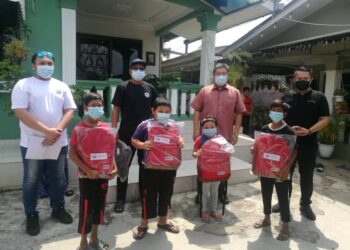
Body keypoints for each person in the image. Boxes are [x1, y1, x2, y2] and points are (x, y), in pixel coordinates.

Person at [11, 51, 76, 236]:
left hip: (58, 141)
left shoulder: (61, 86)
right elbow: (20, 112)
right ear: (34, 65)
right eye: (42, 62)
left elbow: (70, 110)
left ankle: (58, 208)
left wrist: (56, 133)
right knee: (31, 181)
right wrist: (47, 132)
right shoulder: (24, 85)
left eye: (49, 63)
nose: (46, 66)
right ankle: (31, 214)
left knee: (58, 179)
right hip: (33, 142)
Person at [272, 66, 330, 221]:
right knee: (284, 174)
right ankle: (283, 202)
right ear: (294, 79)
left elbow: (325, 118)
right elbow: (278, 115)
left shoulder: (319, 97)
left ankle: (305, 205)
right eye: (299, 79)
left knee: (306, 176)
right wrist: (290, 129)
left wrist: (309, 130)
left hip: (309, 143)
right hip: (287, 143)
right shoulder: (286, 96)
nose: (302, 81)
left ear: (311, 79)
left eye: (306, 79)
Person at [191, 63, 246, 205]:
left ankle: (222, 193)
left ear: (227, 75)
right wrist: (196, 129)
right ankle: (201, 193)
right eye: (218, 73)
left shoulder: (235, 92)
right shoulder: (204, 91)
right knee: (202, 163)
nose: (221, 76)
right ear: (213, 75)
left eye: (223, 73)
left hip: (225, 136)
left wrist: (236, 133)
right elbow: (197, 110)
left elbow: (239, 113)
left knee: (224, 165)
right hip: (206, 136)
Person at [69, 92, 117, 250]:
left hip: (103, 177)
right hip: (87, 178)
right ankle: (83, 242)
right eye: (93, 105)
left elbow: (110, 152)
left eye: (99, 105)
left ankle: (94, 238)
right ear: (85, 108)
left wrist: (114, 168)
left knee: (99, 208)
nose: (97, 108)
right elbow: (73, 155)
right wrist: (87, 170)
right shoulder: (79, 130)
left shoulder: (107, 128)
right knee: (87, 209)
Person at [131, 97, 184, 240]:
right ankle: (144, 224)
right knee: (149, 195)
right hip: (150, 168)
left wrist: (180, 141)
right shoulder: (144, 125)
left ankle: (163, 221)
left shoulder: (174, 126)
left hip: (169, 167)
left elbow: (179, 140)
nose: (164, 114)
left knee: (166, 194)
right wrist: (142, 145)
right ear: (153, 111)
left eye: (167, 111)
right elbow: (134, 140)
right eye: (160, 111)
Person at [111, 58, 158, 213]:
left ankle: (144, 196)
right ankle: (120, 199)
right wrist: (113, 130)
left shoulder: (150, 88)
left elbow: (156, 110)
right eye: (135, 68)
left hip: (146, 135)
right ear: (130, 70)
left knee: (145, 167)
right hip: (126, 134)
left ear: (144, 71)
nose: (138, 70)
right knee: (123, 167)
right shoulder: (122, 87)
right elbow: (116, 109)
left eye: (141, 68)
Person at [251, 99, 297, 241]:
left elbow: (294, 151)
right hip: (265, 169)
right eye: (273, 110)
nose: (276, 113)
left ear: (285, 113)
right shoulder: (265, 128)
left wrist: (286, 169)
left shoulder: (288, 130)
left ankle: (285, 225)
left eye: (279, 111)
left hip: (281, 170)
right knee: (266, 193)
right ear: (269, 112)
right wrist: (254, 150)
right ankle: (266, 218)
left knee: (283, 197)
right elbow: (259, 147)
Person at [192, 115, 222, 222]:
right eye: (206, 127)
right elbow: (193, 153)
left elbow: (226, 151)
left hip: (217, 170)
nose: (209, 129)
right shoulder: (199, 140)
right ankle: (204, 210)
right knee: (204, 191)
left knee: (215, 190)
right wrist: (197, 153)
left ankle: (213, 210)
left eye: (212, 127)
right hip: (205, 170)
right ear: (202, 129)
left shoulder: (220, 139)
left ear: (216, 127)